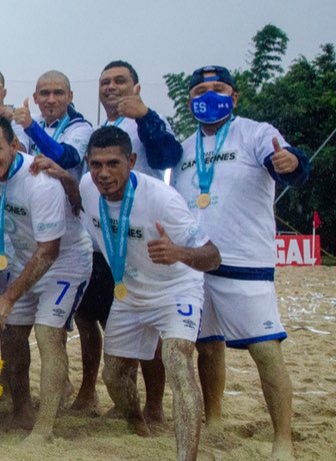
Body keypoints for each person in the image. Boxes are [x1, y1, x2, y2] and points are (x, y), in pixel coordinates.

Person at [41, 125, 218, 460]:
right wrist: (64, 176)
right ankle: (137, 422)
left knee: (178, 361)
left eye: (113, 164)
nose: (104, 174)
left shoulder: (163, 200)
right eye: (96, 164)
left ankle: (187, 456)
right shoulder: (87, 186)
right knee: (114, 376)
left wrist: (179, 253)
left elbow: (213, 256)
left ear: (132, 161)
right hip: (129, 292)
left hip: (175, 289)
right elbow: (78, 202)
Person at [172, 65, 308, 460]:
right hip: (196, 264)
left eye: (218, 88)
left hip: (246, 263)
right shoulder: (184, 148)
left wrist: (293, 163)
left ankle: (282, 439)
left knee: (265, 350)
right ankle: (214, 419)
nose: (208, 96)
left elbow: (288, 163)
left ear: (234, 97)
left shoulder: (255, 132)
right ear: (189, 100)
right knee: (207, 347)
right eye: (200, 90)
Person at [0, 114, 92, 442]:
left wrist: (8, 297)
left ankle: (44, 429)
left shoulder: (40, 182)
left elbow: (49, 251)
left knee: (49, 336)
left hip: (64, 262)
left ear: (14, 146)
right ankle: (22, 411)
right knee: (11, 337)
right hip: (24, 260)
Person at [70, 60, 185, 418]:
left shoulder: (147, 120)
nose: (111, 87)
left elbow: (169, 157)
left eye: (119, 81)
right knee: (88, 319)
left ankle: (153, 406)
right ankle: (90, 392)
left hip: (140, 240)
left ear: (136, 87)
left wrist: (145, 116)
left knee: (144, 329)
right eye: (104, 82)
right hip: (103, 241)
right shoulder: (101, 130)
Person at [13, 70, 94, 180]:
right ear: (35, 98)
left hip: (65, 191)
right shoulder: (30, 120)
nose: (51, 100)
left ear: (70, 97)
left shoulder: (81, 128)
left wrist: (31, 127)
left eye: (58, 93)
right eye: (45, 93)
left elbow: (67, 158)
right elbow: (15, 155)